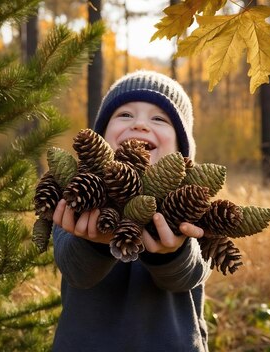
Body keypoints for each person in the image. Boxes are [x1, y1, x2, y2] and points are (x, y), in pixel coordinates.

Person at [51, 70, 211, 351]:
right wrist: (96, 245)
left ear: (182, 150)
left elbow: (189, 275)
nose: (139, 124)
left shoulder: (192, 204)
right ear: (99, 141)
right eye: (124, 115)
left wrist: (172, 254)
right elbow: (76, 271)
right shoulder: (76, 194)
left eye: (159, 119)